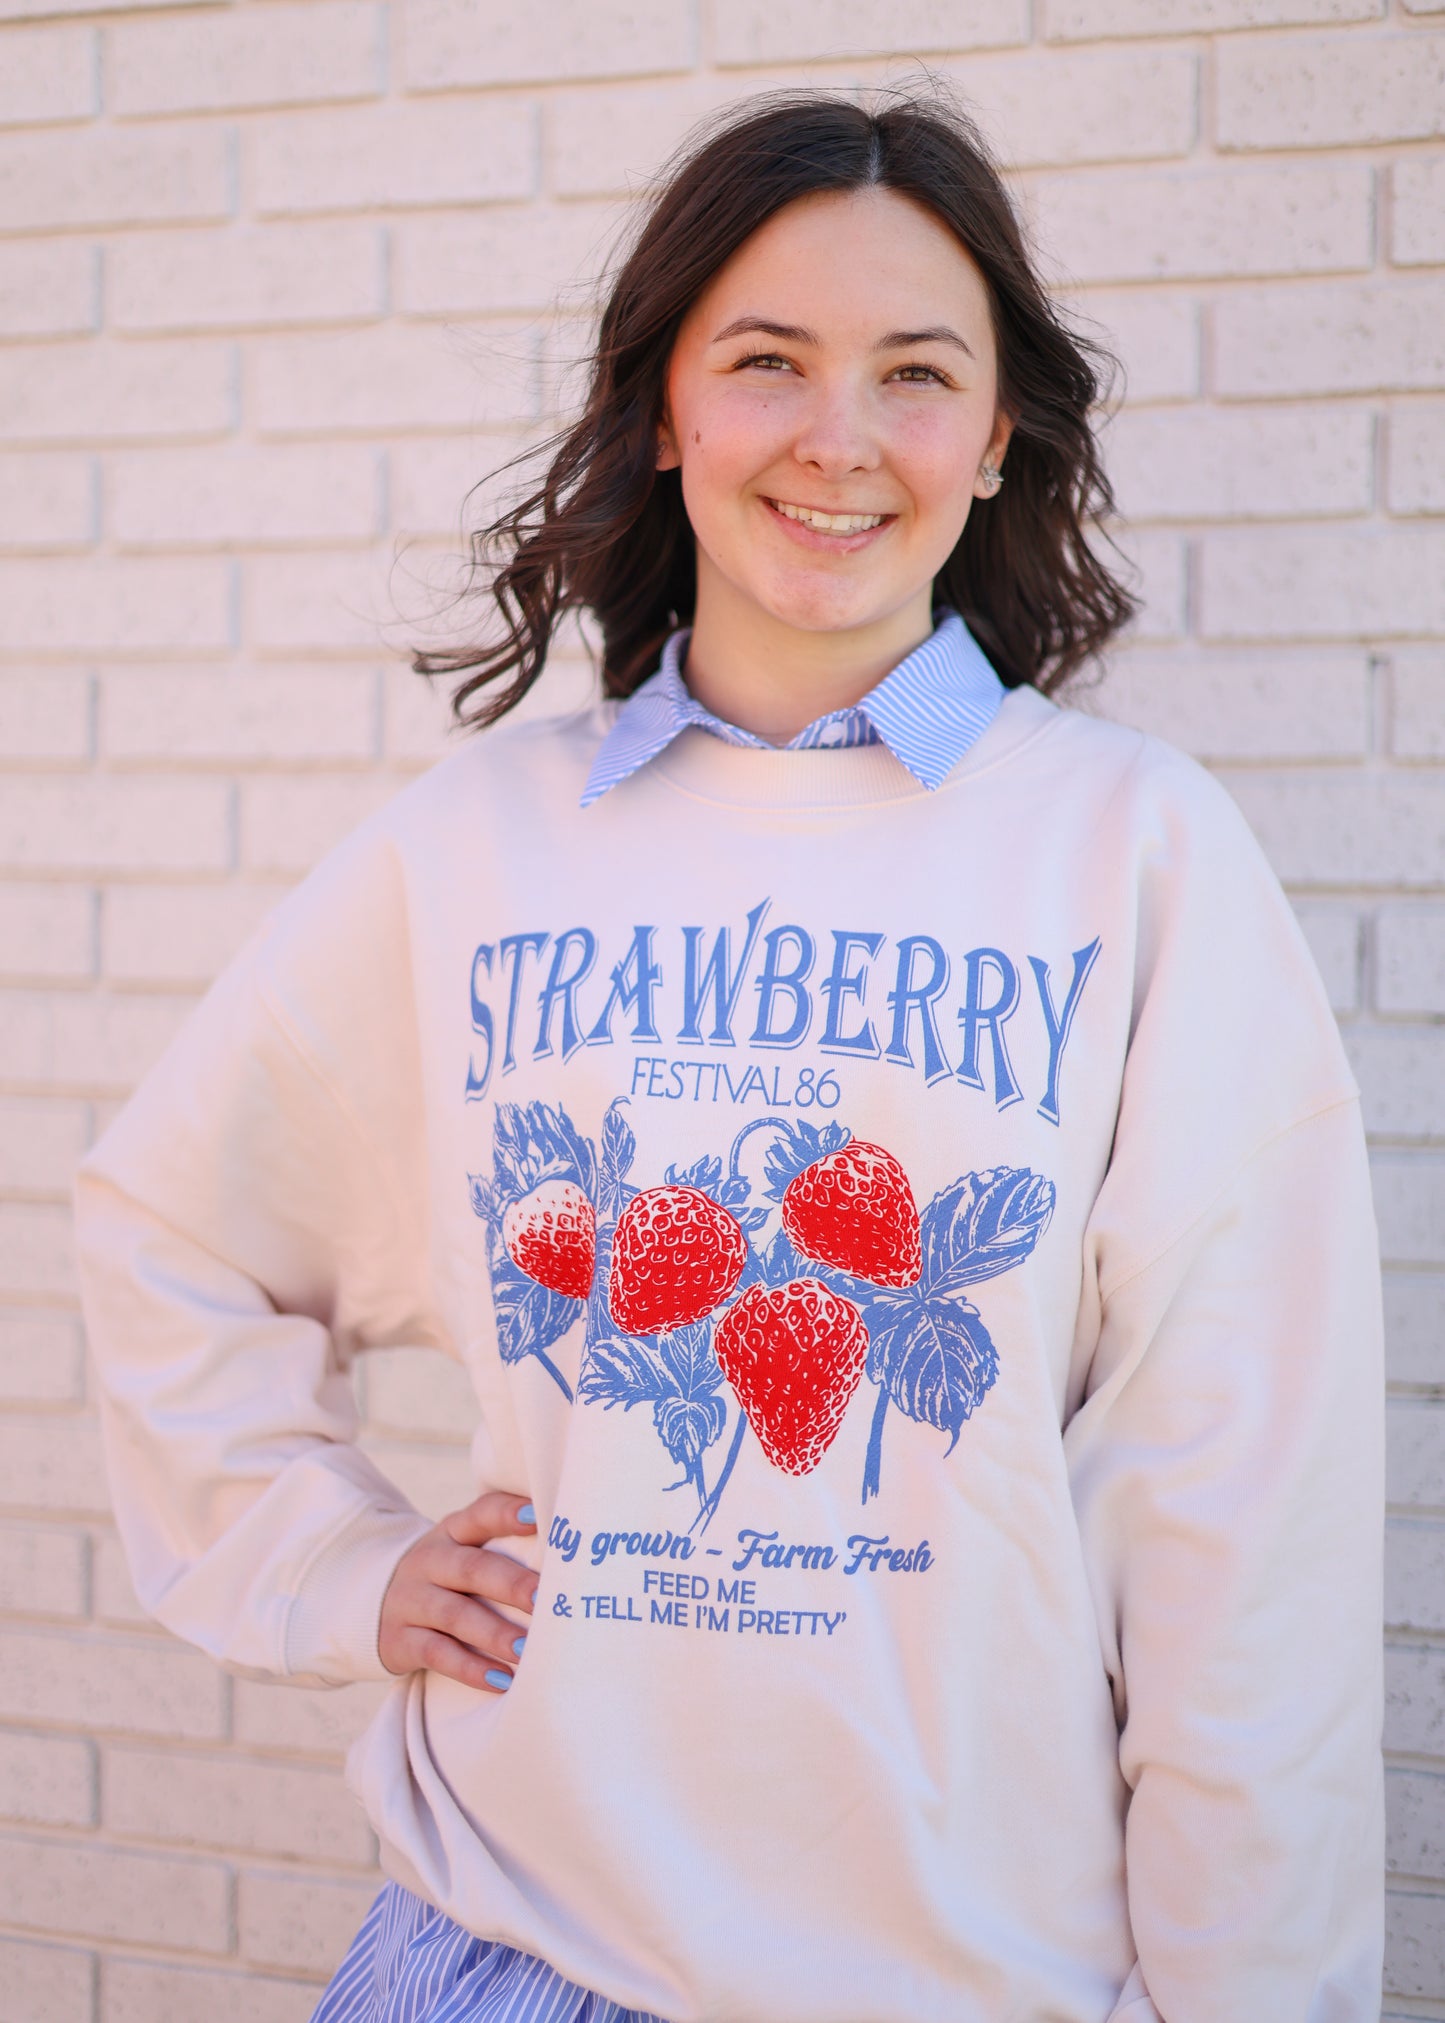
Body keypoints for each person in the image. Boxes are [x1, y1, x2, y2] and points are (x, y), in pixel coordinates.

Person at [74, 89, 1384, 2023]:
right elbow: (171, 1229)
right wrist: (334, 1564)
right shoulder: (482, 846)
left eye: (915, 373)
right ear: (666, 405)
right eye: (765, 361)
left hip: (968, 1983)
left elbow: (1242, 1537)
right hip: (505, 1951)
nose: (839, 438)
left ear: (997, 432)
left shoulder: (1131, 853)